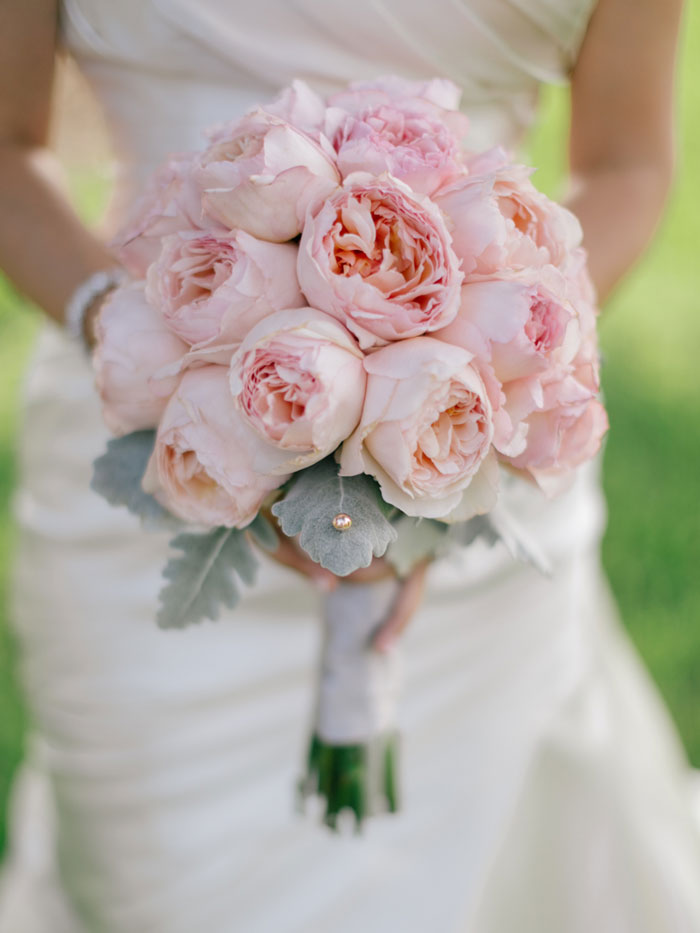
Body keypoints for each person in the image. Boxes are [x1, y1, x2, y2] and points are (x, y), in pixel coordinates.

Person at [0, 1, 698, 931]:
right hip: (154, 456)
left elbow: (627, 163)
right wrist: (132, 334)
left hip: (470, 471)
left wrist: (471, 389)